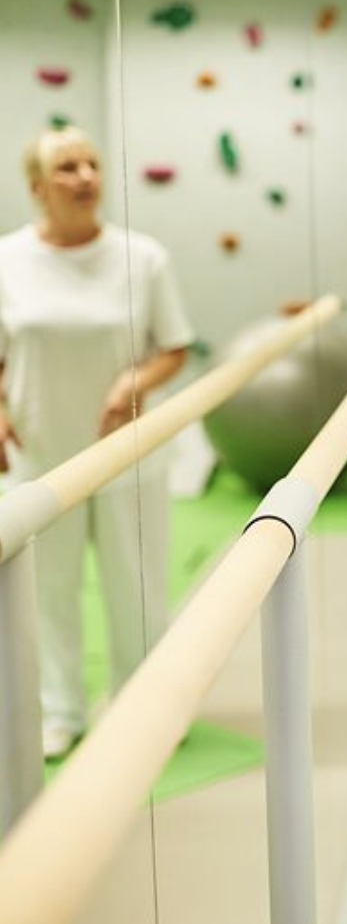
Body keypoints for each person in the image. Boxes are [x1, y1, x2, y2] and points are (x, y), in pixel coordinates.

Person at [0, 126, 193, 761]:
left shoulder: (144, 257)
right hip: (39, 457)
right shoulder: (7, 261)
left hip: (127, 453)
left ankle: (145, 707)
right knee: (48, 593)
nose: (84, 176)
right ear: (36, 188)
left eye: (91, 164)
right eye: (66, 167)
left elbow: (175, 346)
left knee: (135, 586)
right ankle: (61, 711)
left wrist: (135, 380)